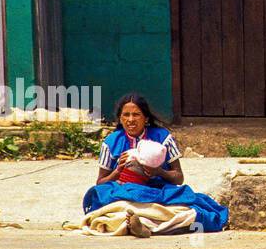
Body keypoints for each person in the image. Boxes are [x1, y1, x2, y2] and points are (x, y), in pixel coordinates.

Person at [81, 94, 228, 235]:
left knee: (188, 209)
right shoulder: (111, 142)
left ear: (146, 118)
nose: (130, 120)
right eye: (126, 115)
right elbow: (100, 183)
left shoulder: (163, 138)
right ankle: (144, 224)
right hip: (124, 193)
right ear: (120, 118)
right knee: (115, 205)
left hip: (157, 192)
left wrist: (158, 172)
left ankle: (139, 225)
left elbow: (178, 178)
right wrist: (117, 172)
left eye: (136, 114)